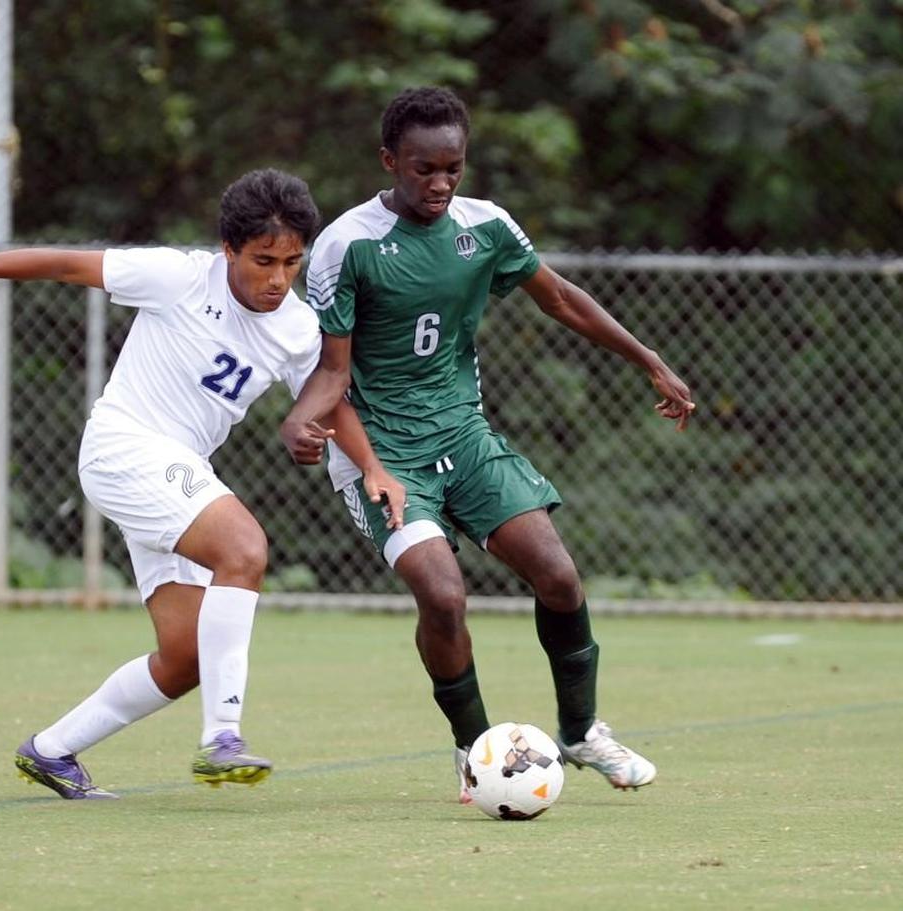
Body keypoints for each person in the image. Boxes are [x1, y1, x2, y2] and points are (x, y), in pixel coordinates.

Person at [0, 168, 405, 799]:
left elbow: (327, 397)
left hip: (177, 473)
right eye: (262, 260)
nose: (276, 279)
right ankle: (222, 739)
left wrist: (373, 467)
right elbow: (62, 266)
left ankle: (52, 751)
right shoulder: (178, 277)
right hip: (123, 448)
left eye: (291, 263)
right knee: (243, 549)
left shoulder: (297, 326)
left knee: (187, 657)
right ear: (228, 250)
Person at [280, 88, 695, 799]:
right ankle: (473, 750)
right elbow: (332, 370)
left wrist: (649, 359)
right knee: (442, 596)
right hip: (384, 456)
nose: (440, 183)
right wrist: (302, 420)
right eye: (423, 168)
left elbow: (560, 298)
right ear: (389, 161)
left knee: (559, 576)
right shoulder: (348, 244)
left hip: (464, 435)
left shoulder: (487, 228)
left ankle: (582, 730)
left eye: (453, 168)